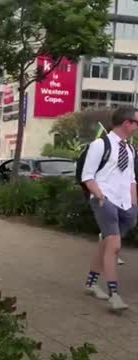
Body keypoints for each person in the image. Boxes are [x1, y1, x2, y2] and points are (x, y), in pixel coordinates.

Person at [82, 106, 138, 311]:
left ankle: (91, 283)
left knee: (107, 244)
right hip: (104, 200)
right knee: (114, 246)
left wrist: (134, 205)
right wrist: (101, 197)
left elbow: (131, 179)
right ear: (127, 123)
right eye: (136, 123)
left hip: (125, 204)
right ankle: (114, 295)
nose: (137, 127)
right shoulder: (100, 145)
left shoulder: (130, 149)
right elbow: (87, 176)